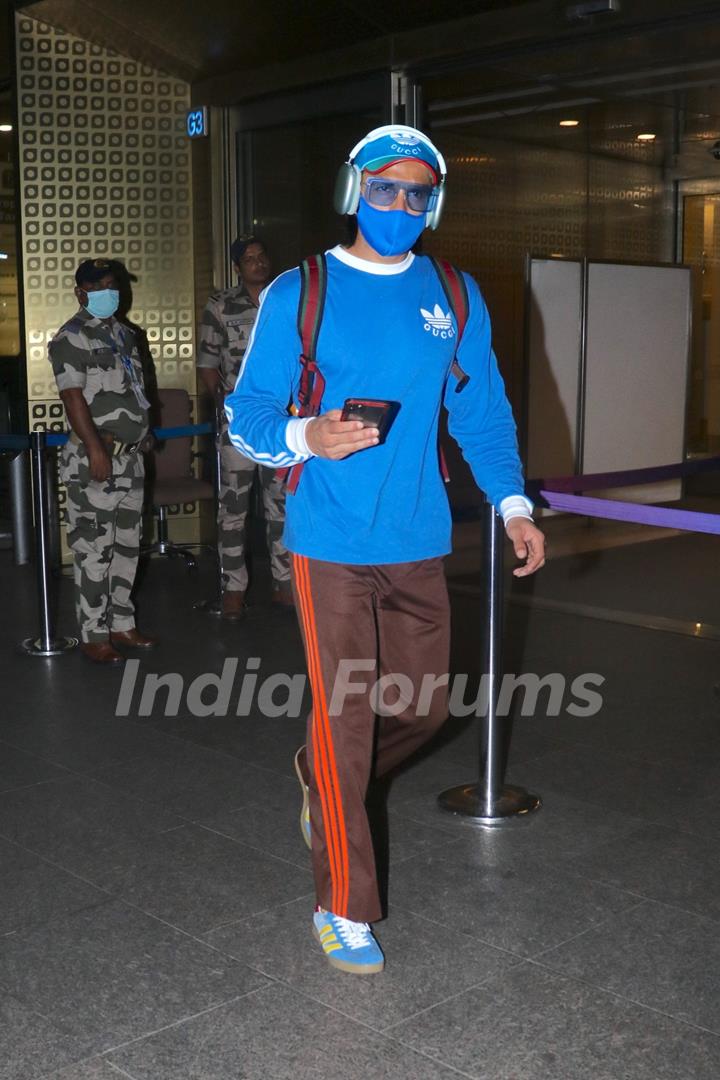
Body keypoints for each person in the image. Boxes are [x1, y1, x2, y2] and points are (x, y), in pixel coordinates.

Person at [225, 125, 546, 974]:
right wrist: (306, 435)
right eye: (384, 188)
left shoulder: (455, 294)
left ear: (434, 201)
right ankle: (343, 904)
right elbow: (246, 414)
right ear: (352, 189)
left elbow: (480, 414)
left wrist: (513, 504)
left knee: (426, 708)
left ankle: (319, 772)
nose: (400, 205)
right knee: (347, 719)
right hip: (327, 539)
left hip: (416, 538)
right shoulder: (304, 290)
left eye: (417, 192)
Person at [50, 258, 157, 664]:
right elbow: (72, 396)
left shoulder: (125, 335)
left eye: (114, 285)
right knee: (95, 548)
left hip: (131, 460)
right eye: (100, 287)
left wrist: (144, 434)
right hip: (96, 460)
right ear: (81, 293)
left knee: (128, 545)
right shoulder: (71, 338)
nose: (110, 292)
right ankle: (95, 632)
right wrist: (95, 447)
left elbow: (135, 392)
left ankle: (122, 622)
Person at [197, 235, 292, 619]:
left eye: (261, 255)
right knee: (233, 509)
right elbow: (206, 366)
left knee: (281, 507)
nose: (257, 262)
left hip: (281, 423)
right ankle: (233, 589)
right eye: (248, 259)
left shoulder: (285, 300)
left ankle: (284, 583)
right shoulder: (220, 306)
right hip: (238, 425)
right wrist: (223, 407)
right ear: (238, 267)